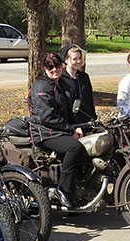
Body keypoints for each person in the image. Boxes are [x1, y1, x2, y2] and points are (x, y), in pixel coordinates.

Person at [28, 52, 88, 209]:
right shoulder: (41, 86)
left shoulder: (60, 84)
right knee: (74, 147)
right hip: (44, 132)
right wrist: (70, 130)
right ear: (44, 68)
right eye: (50, 66)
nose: (54, 69)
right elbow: (46, 117)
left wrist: (81, 125)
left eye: (57, 65)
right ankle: (63, 190)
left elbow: (69, 111)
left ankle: (78, 192)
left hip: (57, 130)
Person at [59, 44, 96, 123]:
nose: (78, 61)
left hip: (86, 120)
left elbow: (89, 100)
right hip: (69, 122)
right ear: (66, 60)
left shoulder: (84, 77)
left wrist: (94, 118)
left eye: (79, 58)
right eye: (74, 59)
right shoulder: (60, 78)